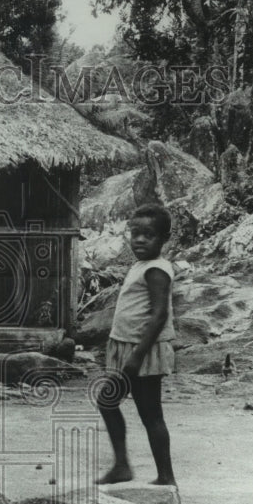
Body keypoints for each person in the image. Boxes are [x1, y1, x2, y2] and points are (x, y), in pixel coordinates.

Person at [95, 203, 176, 486]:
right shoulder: (141, 265)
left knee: (150, 413)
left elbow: (159, 314)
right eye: (135, 233)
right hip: (128, 347)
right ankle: (122, 466)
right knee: (108, 401)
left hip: (142, 351)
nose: (140, 240)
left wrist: (137, 357)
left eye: (148, 235)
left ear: (164, 239)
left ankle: (166, 477)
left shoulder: (157, 270)